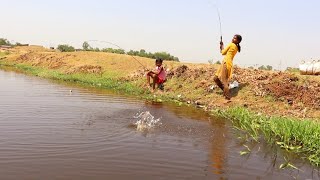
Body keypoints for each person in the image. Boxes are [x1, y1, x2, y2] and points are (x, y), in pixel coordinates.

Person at [213, 34, 242, 100]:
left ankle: (228, 97)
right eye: (233, 38)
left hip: (226, 63)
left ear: (238, 41)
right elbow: (224, 52)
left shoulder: (231, 44)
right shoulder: (236, 47)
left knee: (224, 81)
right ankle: (225, 90)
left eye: (235, 38)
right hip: (227, 63)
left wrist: (221, 46)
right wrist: (222, 46)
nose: (232, 39)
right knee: (215, 78)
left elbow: (223, 52)